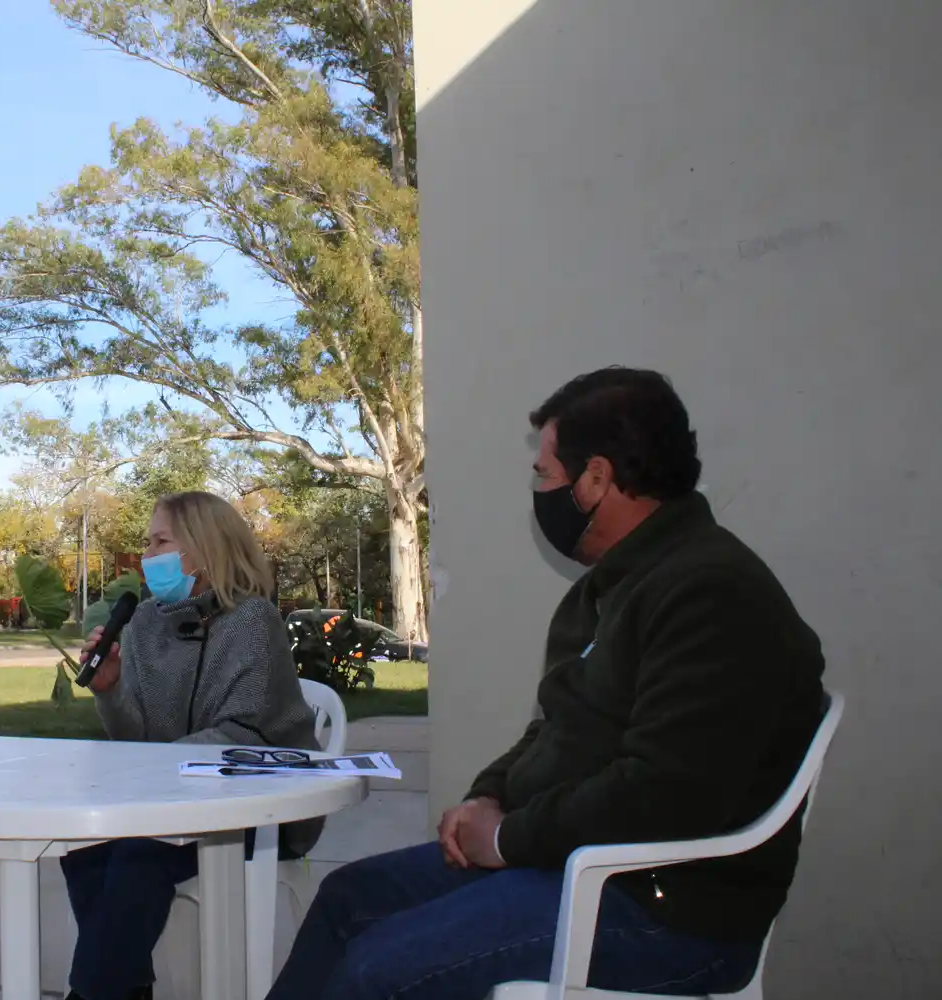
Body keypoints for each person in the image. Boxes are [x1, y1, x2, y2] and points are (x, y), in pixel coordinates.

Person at [266, 368, 828, 1000]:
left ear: (596, 478)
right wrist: (487, 797)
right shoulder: (609, 589)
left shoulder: (713, 593)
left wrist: (506, 839)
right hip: (567, 866)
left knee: (382, 972)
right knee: (348, 900)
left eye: (544, 474)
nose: (537, 489)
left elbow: (668, 794)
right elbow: (555, 729)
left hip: (664, 910)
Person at [63, 490, 320, 1000]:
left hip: (259, 805)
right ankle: (126, 987)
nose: (148, 553)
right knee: (85, 848)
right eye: (148, 541)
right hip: (169, 801)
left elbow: (242, 734)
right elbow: (133, 740)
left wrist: (154, 773)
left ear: (203, 549)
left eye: (161, 540)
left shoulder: (252, 621)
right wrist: (110, 690)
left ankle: (93, 995)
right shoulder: (142, 626)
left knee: (140, 854)